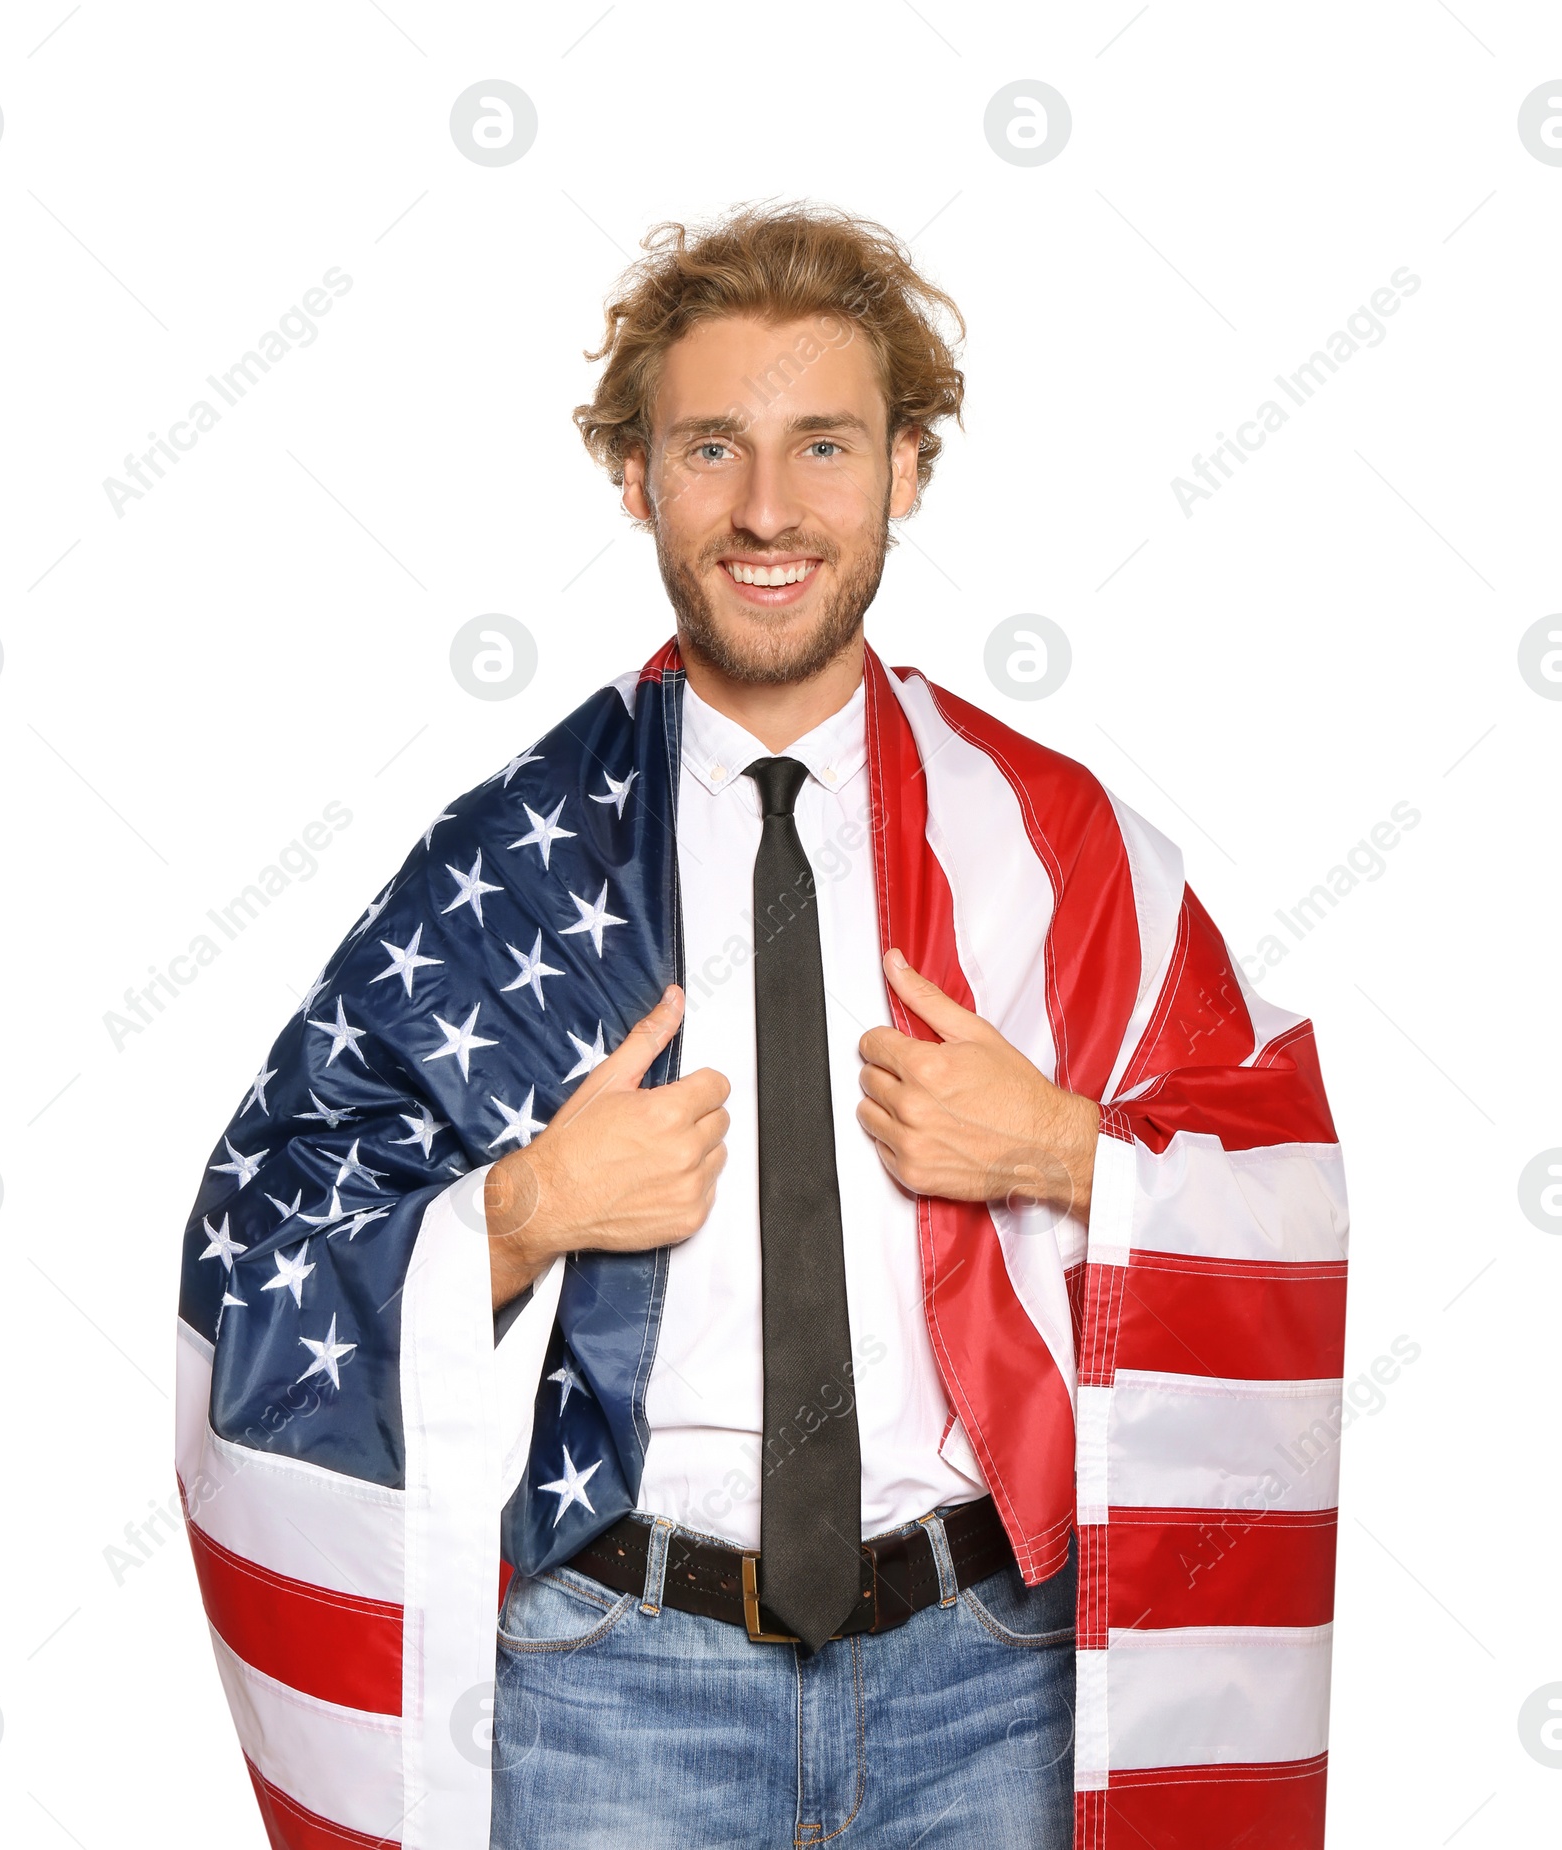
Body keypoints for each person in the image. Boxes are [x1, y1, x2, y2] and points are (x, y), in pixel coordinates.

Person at [175, 204, 1348, 1850]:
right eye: (712, 446)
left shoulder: (1058, 846)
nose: (771, 509)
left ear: (909, 469)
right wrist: (528, 1212)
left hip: (992, 1677)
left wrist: (1066, 1150)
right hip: (612, 1682)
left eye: (826, 445)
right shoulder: (510, 867)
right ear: (635, 475)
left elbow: (1282, 1172)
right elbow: (263, 1235)